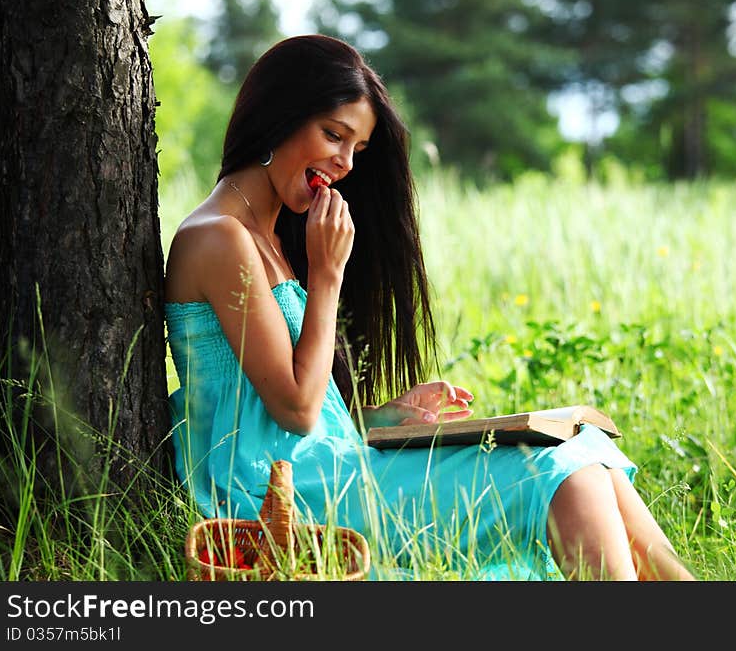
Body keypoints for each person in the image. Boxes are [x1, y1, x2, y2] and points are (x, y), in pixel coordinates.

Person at [164, 34, 695, 581]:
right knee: (563, 474)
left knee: (588, 451)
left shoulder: (267, 235)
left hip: (328, 469)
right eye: (334, 136)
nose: (345, 163)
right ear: (280, 116)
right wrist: (326, 278)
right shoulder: (219, 238)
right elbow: (294, 411)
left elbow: (272, 404)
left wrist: (379, 417)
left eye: (357, 149)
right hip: (276, 498)